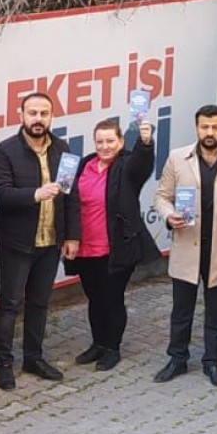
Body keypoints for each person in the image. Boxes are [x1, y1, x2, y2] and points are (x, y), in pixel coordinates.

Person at [153, 105, 217, 389]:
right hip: (187, 245)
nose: (209, 132)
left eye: (215, 127)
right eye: (204, 127)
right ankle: (177, 358)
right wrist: (168, 215)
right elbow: (161, 197)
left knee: (216, 312)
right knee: (181, 311)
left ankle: (212, 362)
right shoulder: (178, 158)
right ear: (196, 128)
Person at [0, 91, 79, 389]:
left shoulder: (62, 148)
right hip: (17, 244)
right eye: (32, 113)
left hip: (50, 242)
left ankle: (33, 358)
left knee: (39, 303)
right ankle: (3, 364)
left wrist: (72, 236)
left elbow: (71, 195)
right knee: (10, 304)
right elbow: (1, 194)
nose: (38, 119)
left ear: (51, 116)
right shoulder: (5, 150)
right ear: (21, 115)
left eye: (44, 113)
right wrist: (36, 194)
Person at [66, 117, 161, 372]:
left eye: (110, 141)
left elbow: (142, 165)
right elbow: (69, 198)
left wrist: (145, 143)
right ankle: (98, 343)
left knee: (112, 298)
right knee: (94, 298)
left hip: (116, 247)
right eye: (100, 141)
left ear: (120, 141)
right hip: (85, 248)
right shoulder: (84, 164)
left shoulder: (127, 164)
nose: (105, 146)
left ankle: (112, 348)